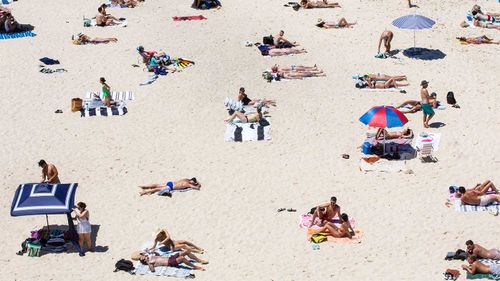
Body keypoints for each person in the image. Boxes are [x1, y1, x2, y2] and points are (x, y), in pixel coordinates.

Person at [140, 250, 208, 271]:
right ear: (144, 261)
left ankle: (199, 260)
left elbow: (159, 255)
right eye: (144, 258)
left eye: (145, 256)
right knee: (182, 258)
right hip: (170, 262)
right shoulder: (150, 263)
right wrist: (149, 263)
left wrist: (155, 252)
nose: (146, 257)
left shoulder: (151, 257)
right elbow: (152, 270)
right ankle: (196, 267)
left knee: (186, 252)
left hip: (170, 257)